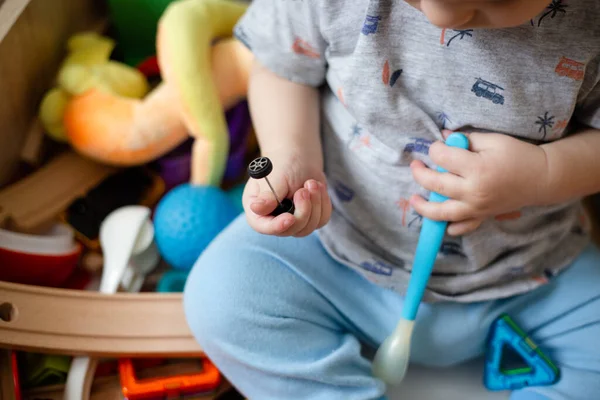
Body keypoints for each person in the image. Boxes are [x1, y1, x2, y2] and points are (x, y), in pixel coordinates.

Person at [183, 1, 600, 399]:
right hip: (339, 257)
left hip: (529, 275)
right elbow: (280, 66)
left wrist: (543, 173)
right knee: (220, 297)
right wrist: (293, 154)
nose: (443, 14)